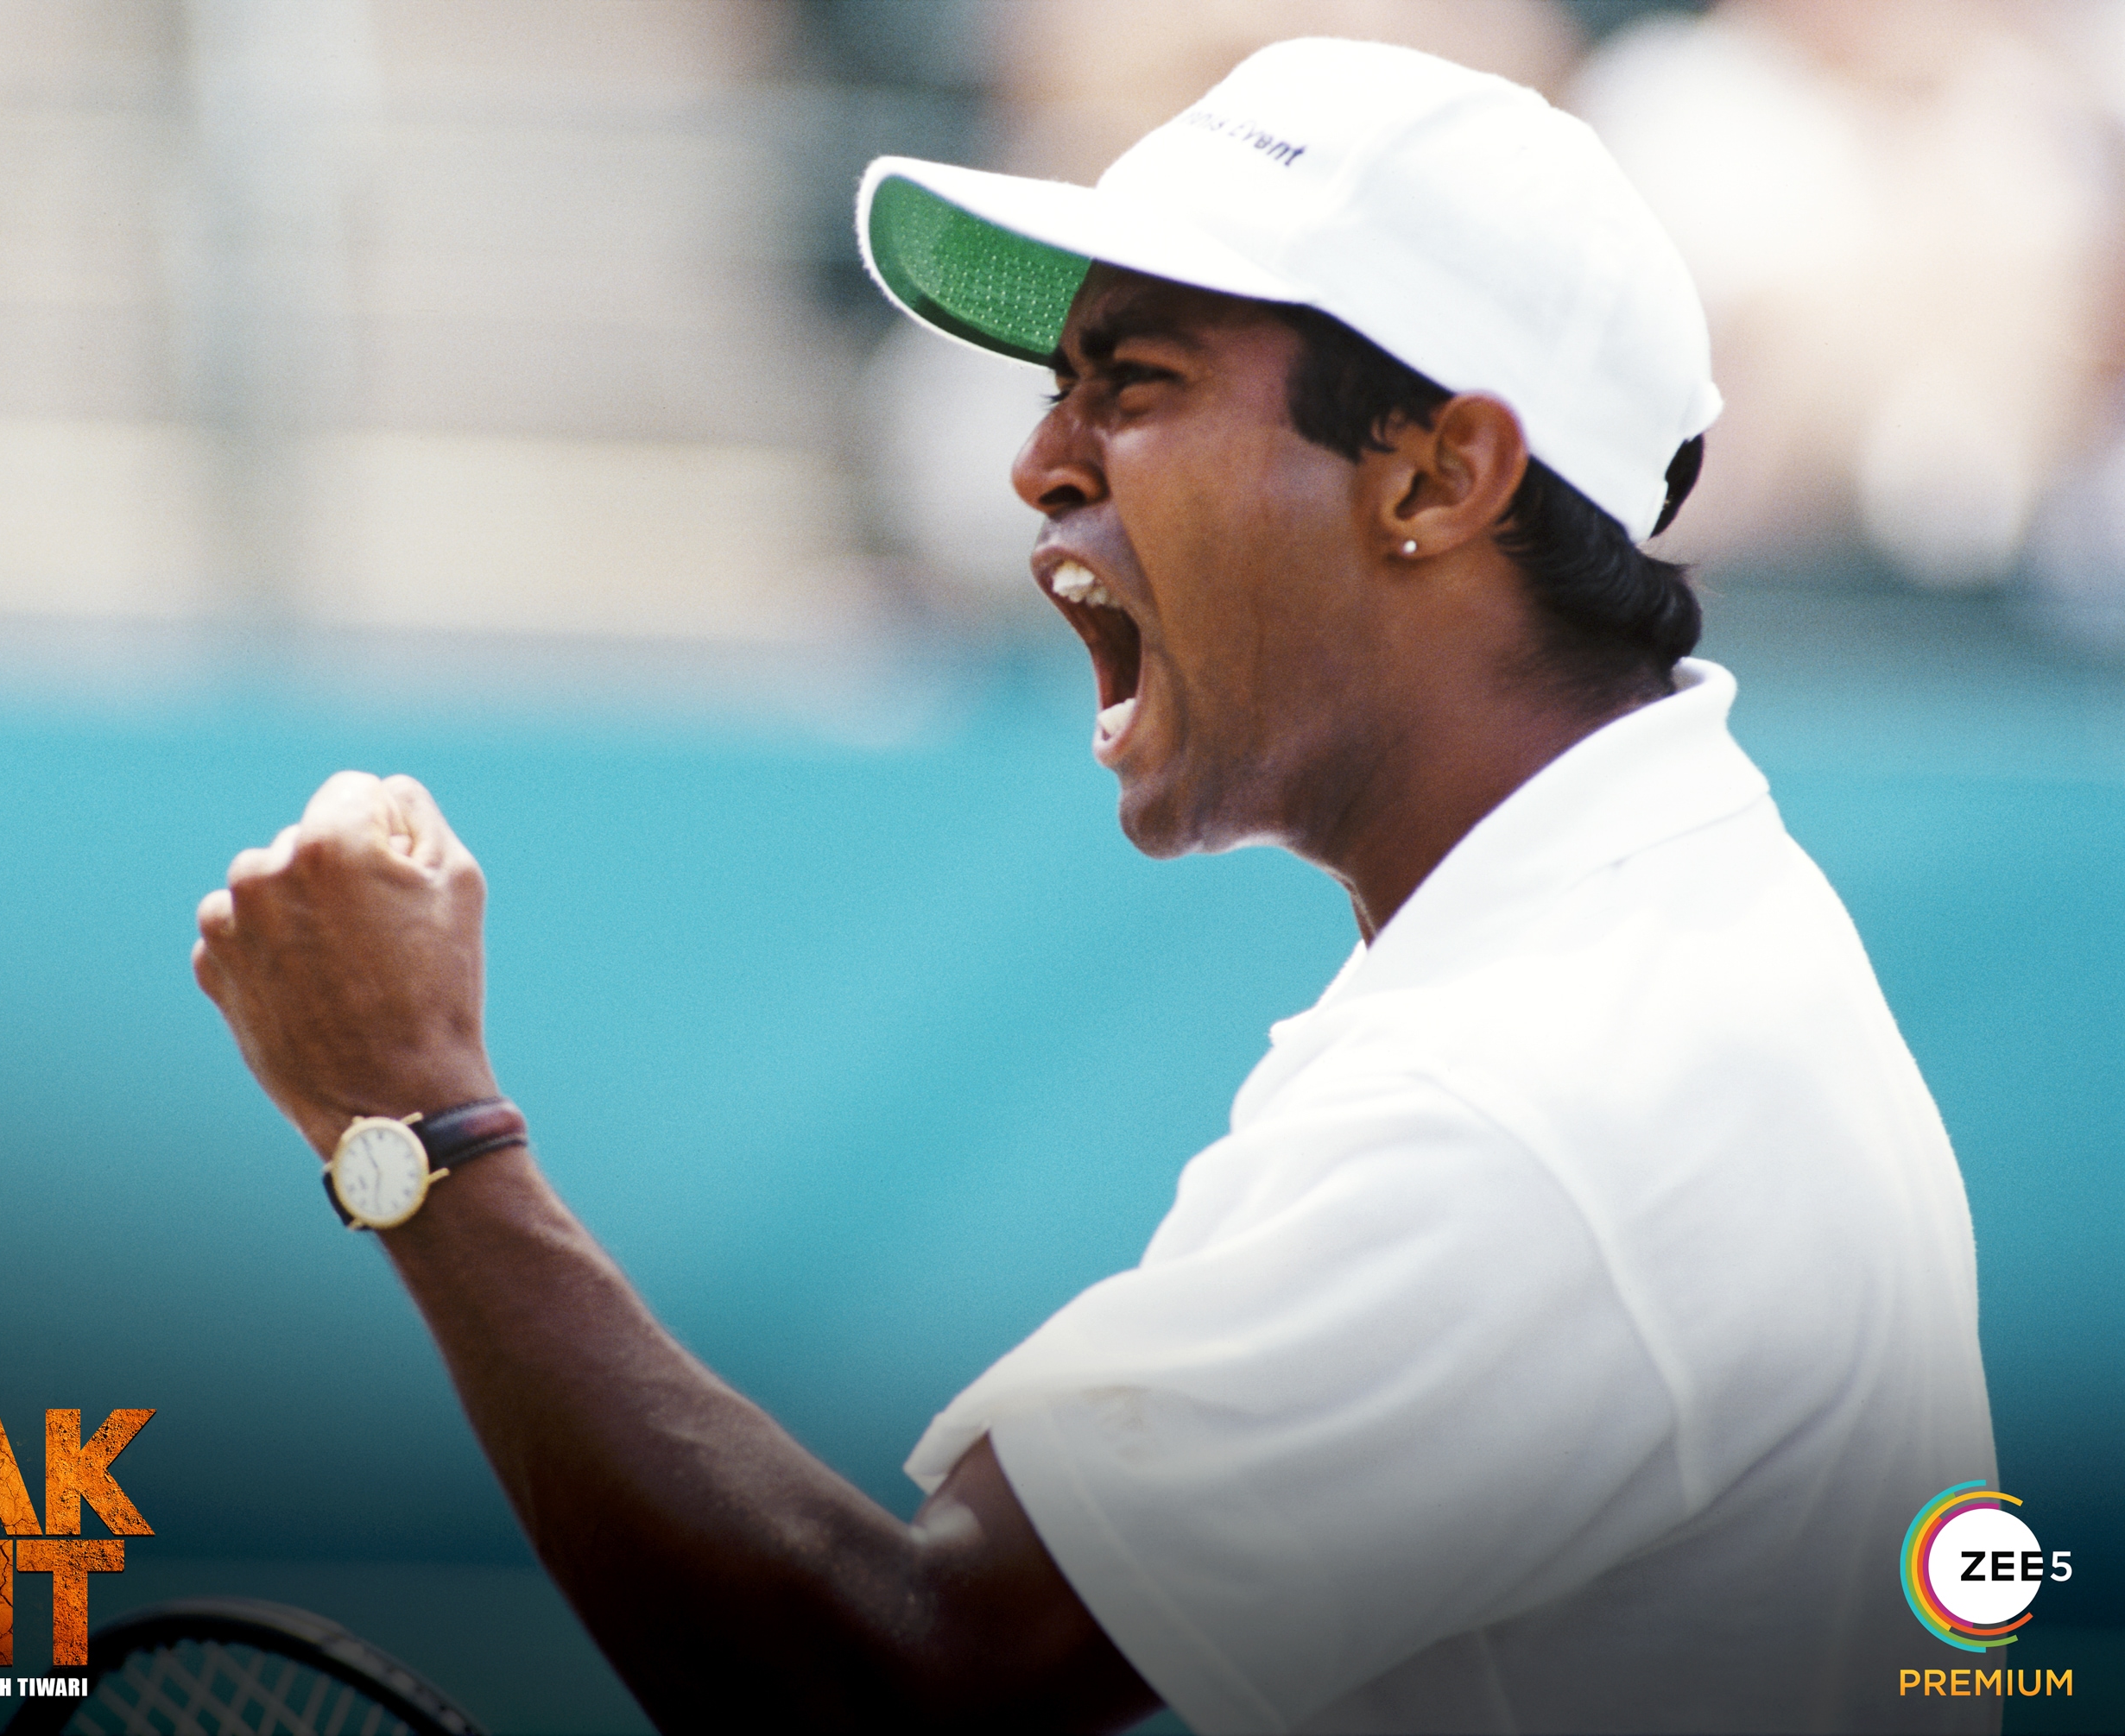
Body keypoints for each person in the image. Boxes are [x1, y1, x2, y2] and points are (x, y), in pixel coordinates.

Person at [193, 38, 1996, 1734]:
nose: (1037, 462)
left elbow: (891, 1676)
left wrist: (413, 1129)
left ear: (1443, 476)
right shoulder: (1642, 932)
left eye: (1130, 385)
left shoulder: (1547, 1084)